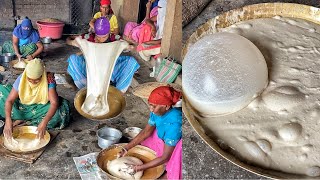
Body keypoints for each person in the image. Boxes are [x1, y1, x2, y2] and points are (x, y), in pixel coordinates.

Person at [118, 86, 182, 179]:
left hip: (177, 144)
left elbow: (165, 157)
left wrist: (138, 168)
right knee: (149, 138)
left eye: (154, 106)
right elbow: (145, 132)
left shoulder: (174, 124)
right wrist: (126, 148)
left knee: (173, 167)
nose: (151, 109)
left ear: (167, 106)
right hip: (164, 135)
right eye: (150, 105)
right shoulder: (157, 112)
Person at [1, 59, 71, 139]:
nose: (33, 82)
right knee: (2, 91)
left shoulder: (49, 79)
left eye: (37, 80)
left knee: (62, 111)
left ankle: (25, 120)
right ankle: (24, 119)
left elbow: (54, 103)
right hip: (22, 106)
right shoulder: (22, 78)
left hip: (39, 108)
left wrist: (44, 122)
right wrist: (8, 119)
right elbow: (9, 100)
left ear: (42, 75)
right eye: (29, 79)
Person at [67, 17, 140, 93]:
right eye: (98, 37)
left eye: (104, 37)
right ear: (95, 32)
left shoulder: (114, 38)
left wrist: (130, 46)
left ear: (108, 32)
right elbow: (69, 39)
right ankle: (86, 88)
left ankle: (117, 92)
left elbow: (131, 44)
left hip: (109, 69)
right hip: (91, 68)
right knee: (73, 59)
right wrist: (73, 42)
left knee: (131, 62)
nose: (100, 39)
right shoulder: (88, 36)